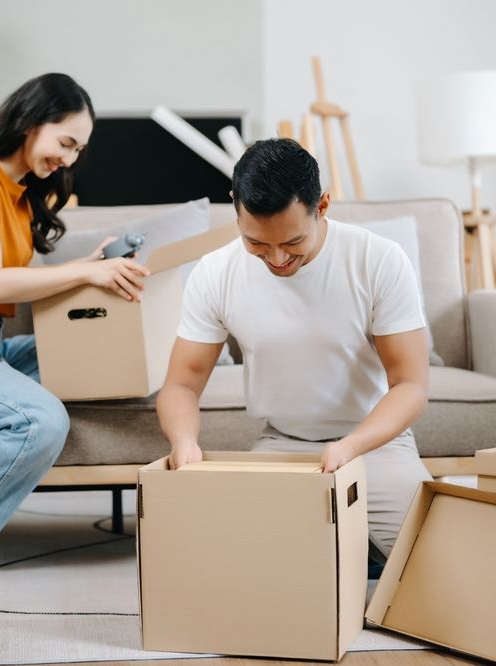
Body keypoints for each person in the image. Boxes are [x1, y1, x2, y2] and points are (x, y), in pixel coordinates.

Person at [0, 73, 150, 574]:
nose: (70, 160)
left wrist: (91, 272)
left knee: (90, 347)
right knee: (43, 421)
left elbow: (20, 281)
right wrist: (84, 269)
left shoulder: (21, 195)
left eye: (79, 150)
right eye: (66, 143)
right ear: (30, 121)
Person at [157, 138, 432, 560]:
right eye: (258, 244)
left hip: (375, 445)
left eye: (292, 242)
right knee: (248, 568)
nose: (278, 258)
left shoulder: (378, 260)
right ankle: (350, 552)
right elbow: (181, 385)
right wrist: (184, 442)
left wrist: (351, 446)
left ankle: (361, 550)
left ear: (322, 206)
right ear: (235, 205)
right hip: (282, 445)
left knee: (431, 567)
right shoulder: (215, 273)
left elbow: (411, 384)